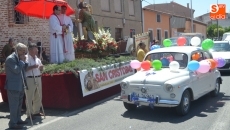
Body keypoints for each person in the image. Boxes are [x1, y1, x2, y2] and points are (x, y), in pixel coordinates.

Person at [4, 43, 28, 129]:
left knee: (19, 104)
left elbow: (24, 69)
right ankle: (12, 123)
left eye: (25, 51)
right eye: (22, 51)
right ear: (17, 50)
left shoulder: (20, 57)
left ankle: (18, 119)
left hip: (20, 84)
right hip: (13, 86)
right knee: (14, 105)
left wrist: (25, 62)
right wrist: (21, 62)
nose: (24, 53)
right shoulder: (11, 59)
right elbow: (16, 70)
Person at [25, 43, 44, 119]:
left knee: (38, 95)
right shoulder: (25, 58)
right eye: (35, 48)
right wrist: (32, 67)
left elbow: (41, 69)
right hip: (30, 78)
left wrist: (41, 68)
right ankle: (29, 113)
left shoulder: (37, 59)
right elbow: (24, 69)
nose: (37, 50)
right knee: (29, 96)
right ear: (30, 50)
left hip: (38, 77)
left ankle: (36, 111)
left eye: (36, 48)